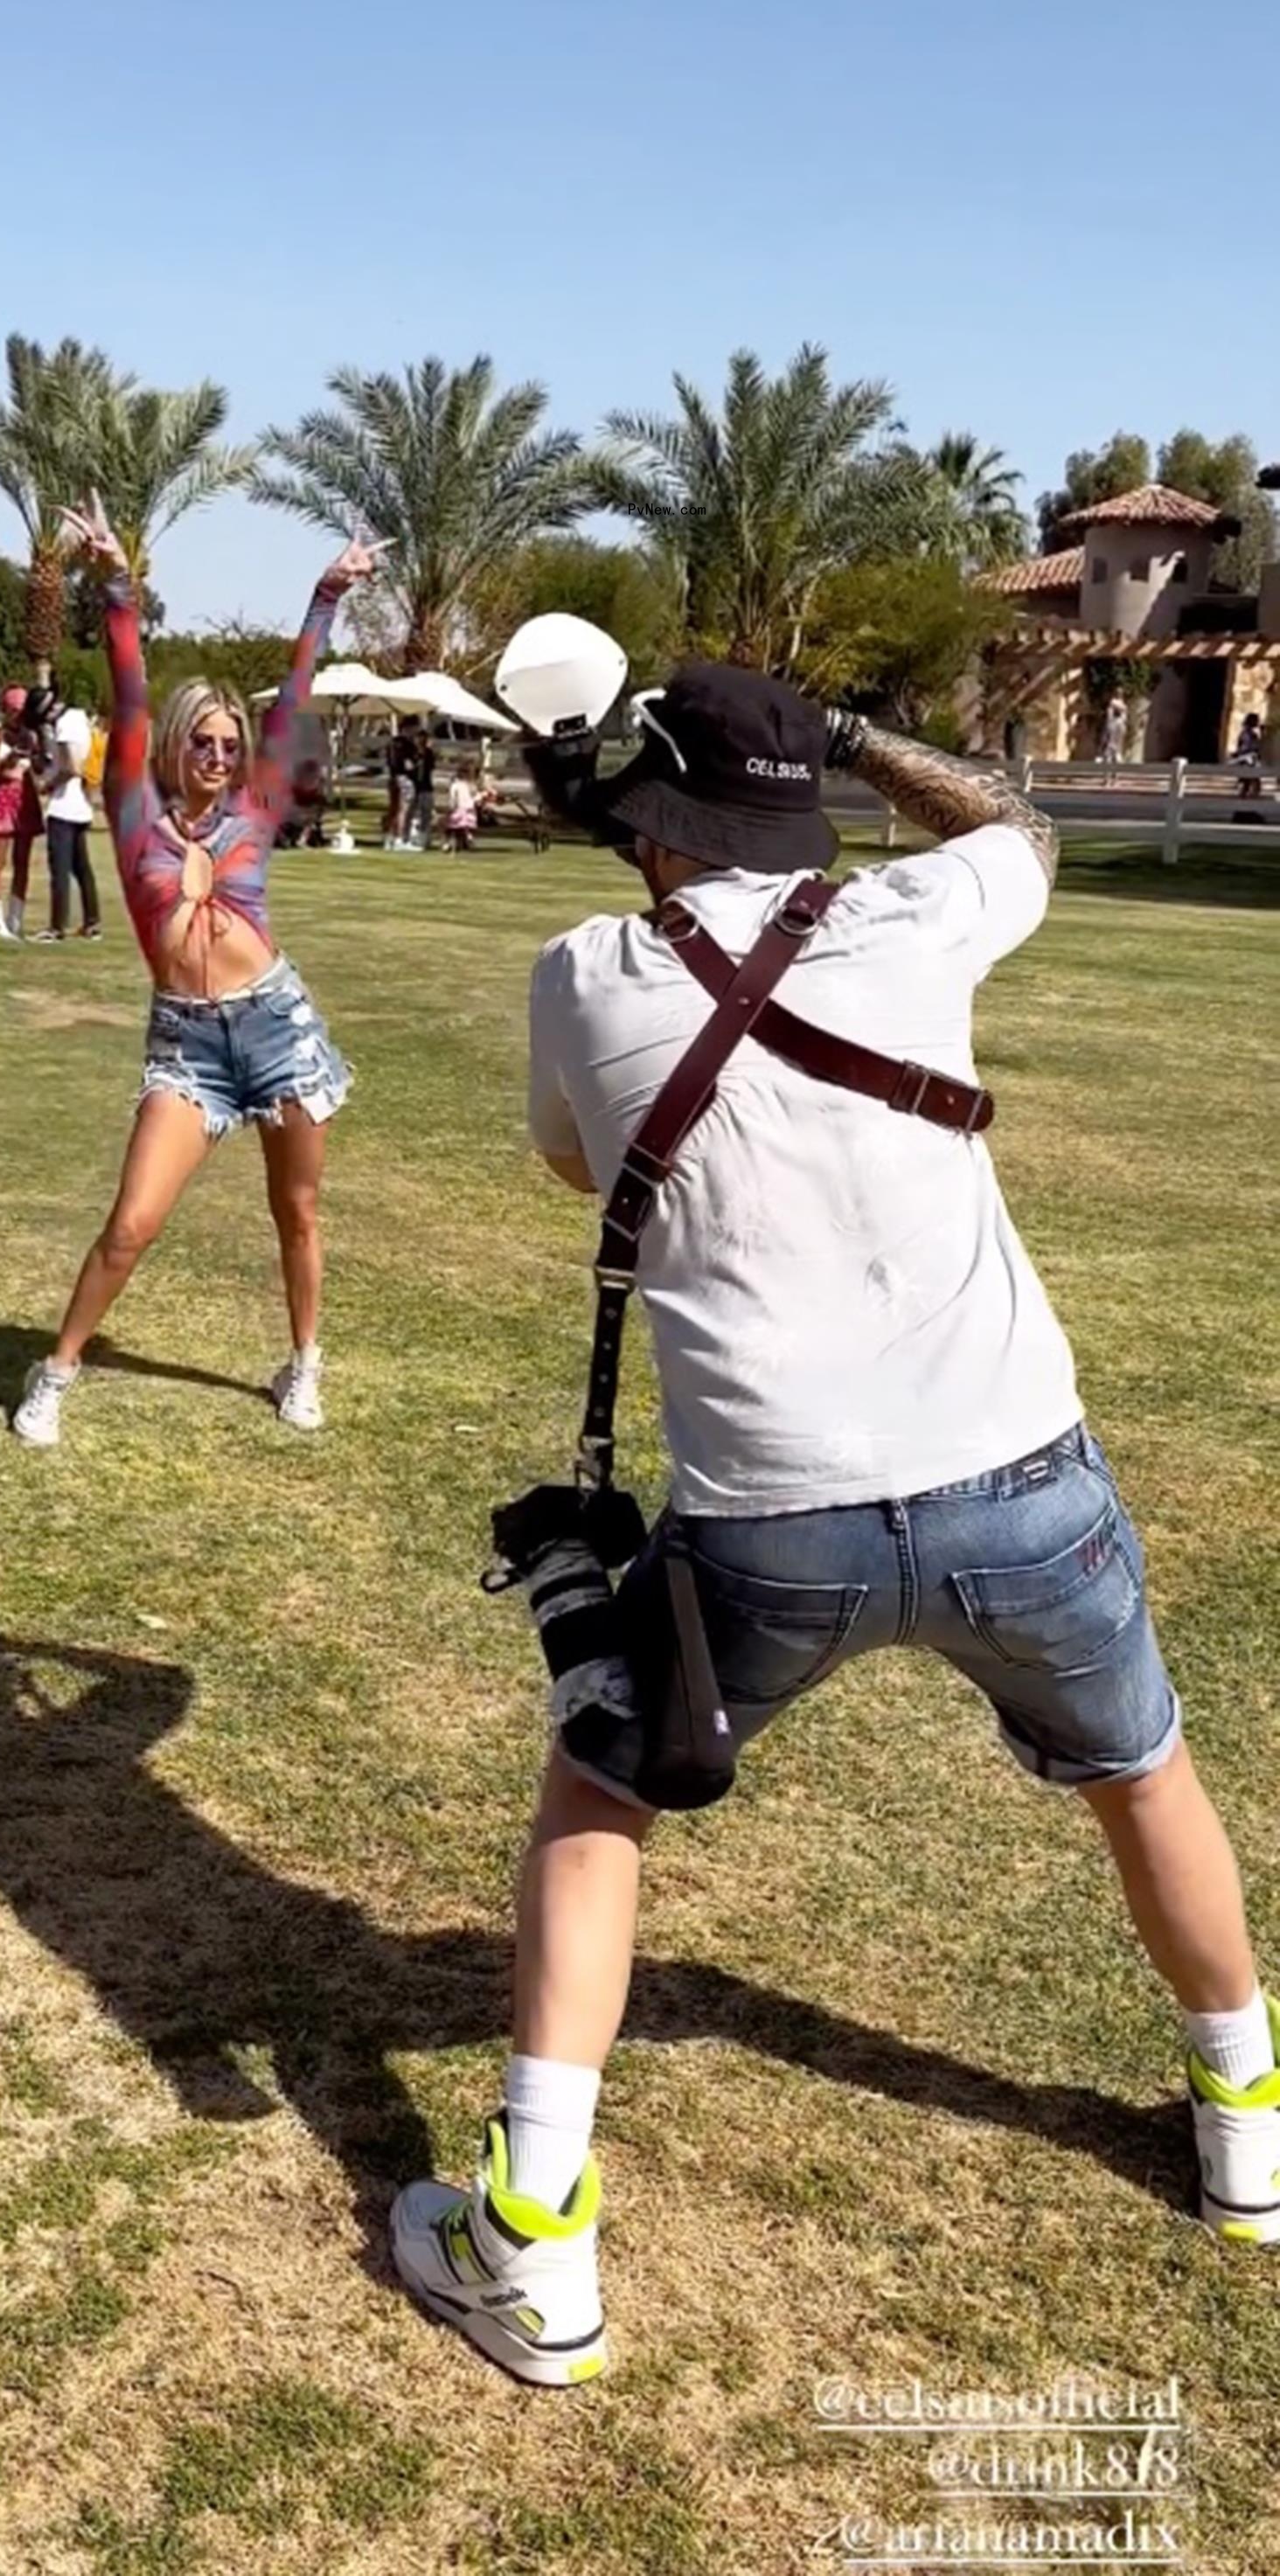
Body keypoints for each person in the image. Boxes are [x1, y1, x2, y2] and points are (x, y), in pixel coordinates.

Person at [390, 662, 1277, 2387]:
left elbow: (581, 1166)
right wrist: (858, 734)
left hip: (767, 1528)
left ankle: (539, 2241)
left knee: (602, 1787)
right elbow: (1018, 822)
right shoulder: (915, 917)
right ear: (802, 807)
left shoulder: (584, 975)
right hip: (1022, 1476)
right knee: (1144, 1769)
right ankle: (1247, 2130)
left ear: (651, 819)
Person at [10, 497, 380, 1446]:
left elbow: (295, 700)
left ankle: (303, 1363)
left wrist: (324, 597)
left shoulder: (254, 812)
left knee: (296, 1210)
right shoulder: (134, 814)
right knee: (131, 1222)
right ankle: (55, 1372)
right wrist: (115, 586)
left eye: (229, 744)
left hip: (277, 1026)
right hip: (187, 1044)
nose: (218, 756)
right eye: (202, 742)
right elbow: (128, 694)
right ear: (175, 747)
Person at [0, 687, 44, 939]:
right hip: (4, 796)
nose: (19, 716)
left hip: (26, 797)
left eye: (23, 711)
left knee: (22, 862)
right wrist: (8, 761)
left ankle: (15, 918)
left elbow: (39, 769)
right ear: (5, 710)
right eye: (15, 710)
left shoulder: (31, 735)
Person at [36, 705, 101, 941]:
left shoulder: (65, 725)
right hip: (82, 805)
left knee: (60, 870)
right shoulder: (83, 720)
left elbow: (71, 767)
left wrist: (48, 785)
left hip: (63, 806)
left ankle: (57, 927)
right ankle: (92, 923)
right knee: (82, 868)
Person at [383, 718, 419, 849]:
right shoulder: (407, 745)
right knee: (403, 809)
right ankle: (400, 838)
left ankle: (388, 837)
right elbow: (408, 765)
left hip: (393, 778)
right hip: (405, 778)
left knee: (393, 808)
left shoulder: (392, 743)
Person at [409, 728, 437, 850]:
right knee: (415, 813)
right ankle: (413, 837)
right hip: (415, 787)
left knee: (426, 813)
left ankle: (425, 837)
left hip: (426, 786)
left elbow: (430, 767)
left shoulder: (429, 753)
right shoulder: (413, 753)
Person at [446, 765, 478, 852]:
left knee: (453, 828)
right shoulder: (471, 785)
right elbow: (475, 797)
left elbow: (453, 799)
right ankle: (468, 839)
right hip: (469, 810)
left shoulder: (455, 786)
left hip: (459, 809)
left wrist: (451, 808)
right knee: (467, 828)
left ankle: (449, 844)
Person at [1233, 711, 1264, 801]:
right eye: (1256, 721)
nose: (1258, 722)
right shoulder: (1248, 733)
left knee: (1249, 779)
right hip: (1248, 757)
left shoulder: (1246, 732)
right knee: (1250, 778)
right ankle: (1246, 797)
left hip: (1247, 757)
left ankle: (1245, 796)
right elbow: (1251, 746)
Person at [1098, 691, 1127, 779]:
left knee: (1111, 758)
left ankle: (1111, 777)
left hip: (1113, 740)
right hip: (1114, 740)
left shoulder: (1116, 721)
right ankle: (1110, 777)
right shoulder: (1118, 721)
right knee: (1112, 757)